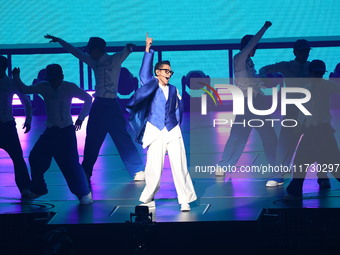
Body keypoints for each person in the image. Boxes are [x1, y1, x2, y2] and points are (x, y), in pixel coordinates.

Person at [44, 34, 145, 182]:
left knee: (122, 138)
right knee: (92, 139)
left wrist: (129, 47)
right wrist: (60, 41)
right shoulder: (92, 61)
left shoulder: (114, 59)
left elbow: (126, 51)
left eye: (91, 49)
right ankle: (86, 171)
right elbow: (76, 52)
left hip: (112, 104)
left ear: (97, 49)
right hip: (98, 105)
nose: (89, 52)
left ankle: (137, 170)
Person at [126, 34, 197, 211]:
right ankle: (149, 197)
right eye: (166, 71)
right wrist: (147, 48)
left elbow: (177, 111)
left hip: (172, 130)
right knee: (154, 168)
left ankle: (185, 199)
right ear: (157, 73)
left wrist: (176, 128)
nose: (169, 74)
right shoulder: (151, 85)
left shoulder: (174, 89)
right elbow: (143, 73)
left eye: (170, 71)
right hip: (155, 130)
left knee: (180, 166)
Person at [12, 64, 93, 204]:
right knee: (35, 157)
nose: (53, 82)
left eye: (55, 79)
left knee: (71, 165)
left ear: (61, 77)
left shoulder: (69, 87)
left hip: (66, 131)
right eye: (50, 80)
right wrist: (16, 77)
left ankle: (84, 194)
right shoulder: (44, 86)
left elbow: (88, 98)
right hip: (51, 131)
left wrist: (81, 117)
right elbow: (25, 89)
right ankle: (39, 188)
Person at [259, 39, 329, 188]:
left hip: (311, 112)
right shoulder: (286, 66)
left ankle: (323, 176)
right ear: (295, 52)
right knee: (285, 143)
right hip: (292, 111)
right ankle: (279, 175)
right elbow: (264, 69)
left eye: (307, 50)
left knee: (319, 144)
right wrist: (265, 79)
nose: (305, 53)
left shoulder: (312, 66)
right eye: (303, 50)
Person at [216, 21, 278, 177]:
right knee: (238, 136)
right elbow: (251, 44)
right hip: (246, 102)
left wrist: (263, 83)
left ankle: (276, 165)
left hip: (257, 101)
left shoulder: (248, 62)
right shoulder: (240, 58)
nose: (255, 49)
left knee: (266, 135)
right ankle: (223, 165)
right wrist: (264, 27)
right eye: (254, 47)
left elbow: (251, 81)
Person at [285, 60, 340, 199]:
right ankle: (320, 179)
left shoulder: (306, 88)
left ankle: (296, 189)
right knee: (333, 162)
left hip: (311, 131)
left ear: (310, 72)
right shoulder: (328, 85)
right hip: (324, 131)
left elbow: (301, 113)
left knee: (300, 163)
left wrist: (297, 128)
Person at [0, 55, 32, 198]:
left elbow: (25, 100)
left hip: (7, 125)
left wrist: (29, 118)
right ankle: (25, 187)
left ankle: (25, 187)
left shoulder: (11, 82)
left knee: (18, 158)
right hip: (7, 124)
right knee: (18, 158)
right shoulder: (11, 82)